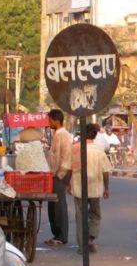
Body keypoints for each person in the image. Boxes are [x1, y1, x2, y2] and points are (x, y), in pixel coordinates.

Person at [70, 122, 111, 254]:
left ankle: (82, 246)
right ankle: (90, 238)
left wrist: (67, 184)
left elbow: (69, 168)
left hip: (78, 188)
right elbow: (105, 171)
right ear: (94, 135)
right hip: (95, 188)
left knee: (80, 216)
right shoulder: (99, 151)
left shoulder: (76, 149)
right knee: (95, 215)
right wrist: (106, 187)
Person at [45, 109, 72, 247]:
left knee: (59, 205)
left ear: (56, 120)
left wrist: (61, 175)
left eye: (50, 120)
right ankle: (56, 233)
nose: (48, 122)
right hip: (54, 174)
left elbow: (67, 156)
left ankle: (62, 236)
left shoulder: (64, 135)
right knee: (52, 206)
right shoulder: (56, 134)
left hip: (60, 174)